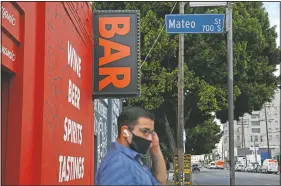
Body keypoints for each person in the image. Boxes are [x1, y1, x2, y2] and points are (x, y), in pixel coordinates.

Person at [95, 107, 167, 185]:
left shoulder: (132, 160)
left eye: (151, 133)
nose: (150, 138)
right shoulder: (119, 164)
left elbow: (160, 182)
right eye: (145, 131)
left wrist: (155, 148)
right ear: (125, 131)